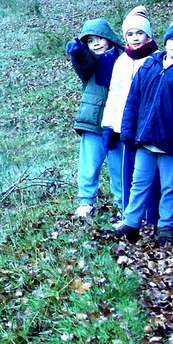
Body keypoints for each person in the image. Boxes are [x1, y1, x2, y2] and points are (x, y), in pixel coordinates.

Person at [115, 18, 173, 247]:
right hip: (146, 140)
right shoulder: (149, 67)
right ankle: (131, 222)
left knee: (170, 185)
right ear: (165, 41)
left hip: (171, 145)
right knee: (139, 183)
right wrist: (129, 133)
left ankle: (166, 226)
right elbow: (133, 103)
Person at [99, 5, 161, 227]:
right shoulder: (122, 61)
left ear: (148, 35)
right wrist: (108, 126)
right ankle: (129, 218)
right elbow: (114, 97)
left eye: (139, 33)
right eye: (130, 34)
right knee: (128, 174)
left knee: (149, 175)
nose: (135, 38)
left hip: (147, 129)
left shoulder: (157, 60)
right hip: (124, 128)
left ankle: (153, 217)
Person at [66, 17, 124, 218]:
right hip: (92, 122)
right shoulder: (89, 62)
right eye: (90, 41)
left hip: (118, 123)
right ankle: (86, 202)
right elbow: (81, 62)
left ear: (109, 38)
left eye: (99, 38)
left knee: (120, 166)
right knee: (89, 163)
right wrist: (78, 51)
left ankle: (124, 205)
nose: (96, 43)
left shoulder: (123, 58)